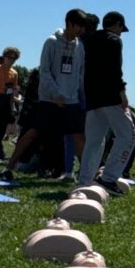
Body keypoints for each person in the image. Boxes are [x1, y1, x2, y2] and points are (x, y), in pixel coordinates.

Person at [29, 9, 89, 178]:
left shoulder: (80, 46)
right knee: (40, 133)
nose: (81, 31)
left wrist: (78, 94)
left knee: (77, 135)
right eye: (78, 26)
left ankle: (84, 173)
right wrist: (55, 93)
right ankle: (11, 167)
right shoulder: (51, 42)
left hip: (71, 99)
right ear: (69, 24)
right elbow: (45, 71)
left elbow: (79, 73)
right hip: (50, 98)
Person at [79, 10, 135, 188]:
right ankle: (109, 178)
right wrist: (122, 92)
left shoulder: (87, 39)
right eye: (121, 28)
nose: (121, 33)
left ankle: (85, 180)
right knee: (128, 136)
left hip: (92, 98)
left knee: (94, 141)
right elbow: (114, 69)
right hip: (110, 97)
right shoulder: (114, 40)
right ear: (117, 24)